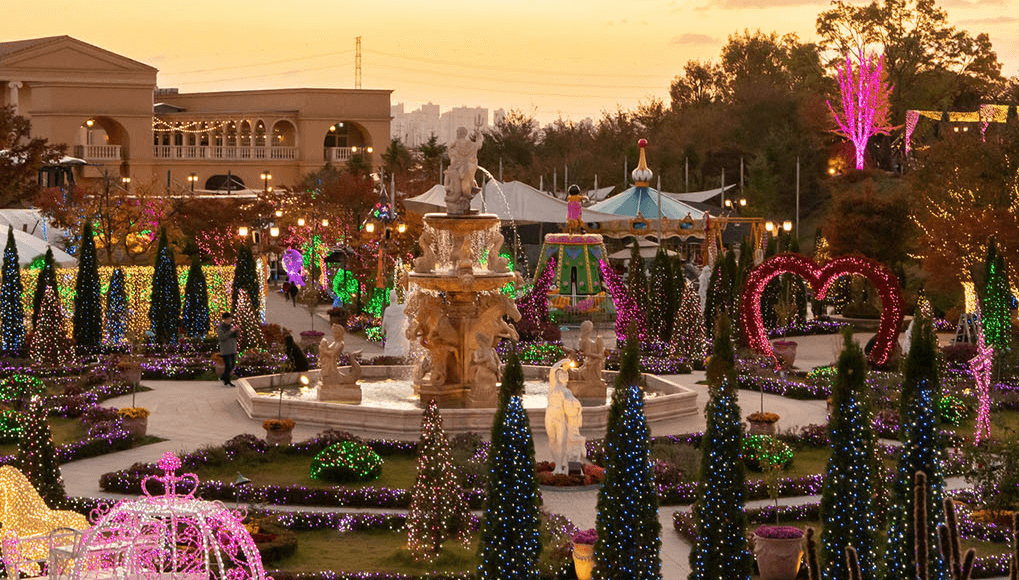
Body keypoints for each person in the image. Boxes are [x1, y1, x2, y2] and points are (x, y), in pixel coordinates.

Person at [216, 312, 239, 387]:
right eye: (228, 319)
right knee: (228, 365)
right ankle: (227, 381)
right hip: (225, 350)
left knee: (232, 365)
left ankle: (223, 377)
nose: (230, 320)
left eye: (230, 319)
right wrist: (230, 332)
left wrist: (236, 331)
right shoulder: (221, 328)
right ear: (224, 319)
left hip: (232, 349)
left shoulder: (231, 326)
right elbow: (222, 337)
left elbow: (235, 337)